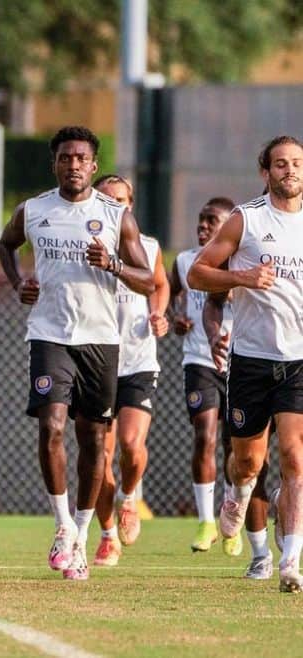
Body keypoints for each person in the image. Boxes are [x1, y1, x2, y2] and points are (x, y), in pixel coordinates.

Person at [0, 125, 153, 581]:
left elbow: (149, 278)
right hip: (49, 334)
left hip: (101, 341)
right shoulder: (34, 210)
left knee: (96, 442)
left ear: (93, 164)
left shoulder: (114, 215)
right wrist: (17, 283)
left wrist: (115, 265)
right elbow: (6, 246)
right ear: (55, 163)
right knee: (52, 425)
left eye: (82, 158)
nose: (74, 165)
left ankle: (83, 537)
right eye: (66, 157)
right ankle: (63, 525)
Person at [187, 135, 303, 592]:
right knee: (248, 463)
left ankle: (290, 561)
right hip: (252, 359)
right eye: (280, 164)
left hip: (298, 360)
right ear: (265, 171)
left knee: (295, 457)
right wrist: (241, 277)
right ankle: (238, 495)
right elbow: (199, 272)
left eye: (296, 163)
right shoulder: (247, 219)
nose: (289, 171)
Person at [168, 197, 274, 572]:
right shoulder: (185, 262)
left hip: (253, 361)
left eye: (212, 221)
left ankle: (252, 538)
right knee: (205, 434)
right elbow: (176, 298)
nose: (204, 228)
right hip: (203, 360)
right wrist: (176, 319)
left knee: (248, 457)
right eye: (200, 220)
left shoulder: (254, 257)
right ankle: (206, 521)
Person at [89, 175, 169, 567]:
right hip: (96, 359)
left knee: (132, 446)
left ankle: (130, 496)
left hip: (137, 359)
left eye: (121, 200)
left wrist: (159, 311)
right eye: (107, 199)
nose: (115, 206)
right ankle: (107, 537)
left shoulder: (148, 246)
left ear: (131, 204)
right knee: (100, 455)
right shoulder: (83, 244)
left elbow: (159, 284)